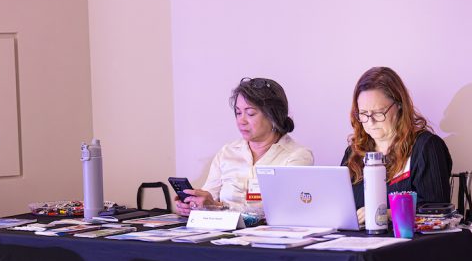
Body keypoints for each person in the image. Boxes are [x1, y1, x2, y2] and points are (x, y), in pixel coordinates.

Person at [174, 77, 314, 216]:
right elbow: (209, 195)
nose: (241, 121)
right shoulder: (227, 152)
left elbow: (284, 209)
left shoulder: (297, 156)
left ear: (273, 116)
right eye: (238, 112)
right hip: (223, 230)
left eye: (250, 113)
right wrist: (195, 204)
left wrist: (217, 207)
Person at [341, 67, 452, 223]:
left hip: (405, 238)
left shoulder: (426, 147)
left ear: (399, 105)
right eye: (363, 113)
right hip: (355, 238)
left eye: (379, 112)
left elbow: (436, 210)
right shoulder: (354, 153)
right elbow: (339, 205)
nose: (370, 122)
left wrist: (387, 213)